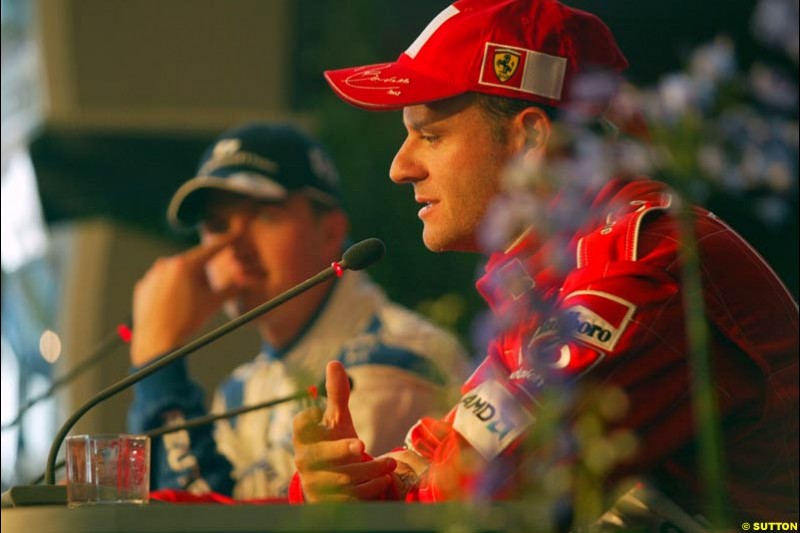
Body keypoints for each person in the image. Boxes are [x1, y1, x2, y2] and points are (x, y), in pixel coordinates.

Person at [289, 0, 799, 524]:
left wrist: (378, 498)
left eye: (431, 135)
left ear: (529, 139)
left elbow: (484, 503)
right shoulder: (554, 273)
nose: (401, 167)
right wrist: (343, 484)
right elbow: (441, 457)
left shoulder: (643, 268)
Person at [126, 123, 470, 499]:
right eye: (217, 224)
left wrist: (158, 361)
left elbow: (228, 523)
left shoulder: (392, 364)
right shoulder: (244, 387)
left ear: (330, 233)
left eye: (264, 216)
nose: (233, 246)